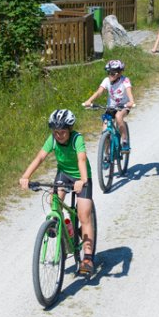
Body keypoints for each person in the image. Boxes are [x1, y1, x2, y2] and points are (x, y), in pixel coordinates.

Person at [18, 109, 96, 275]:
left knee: (83, 215)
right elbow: (40, 157)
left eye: (62, 132)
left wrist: (82, 181)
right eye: (55, 132)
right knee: (54, 201)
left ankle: (88, 258)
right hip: (64, 174)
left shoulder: (77, 138)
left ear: (70, 129)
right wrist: (25, 176)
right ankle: (60, 225)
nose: (59, 135)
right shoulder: (52, 139)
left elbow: (81, 159)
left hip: (82, 177)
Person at [82, 59, 136, 152]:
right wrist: (89, 101)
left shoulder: (125, 80)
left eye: (112, 73)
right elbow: (99, 92)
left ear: (119, 73)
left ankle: (124, 141)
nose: (110, 75)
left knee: (119, 117)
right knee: (105, 131)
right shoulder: (106, 80)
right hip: (110, 107)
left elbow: (129, 91)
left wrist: (131, 101)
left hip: (123, 106)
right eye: (109, 72)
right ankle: (106, 155)